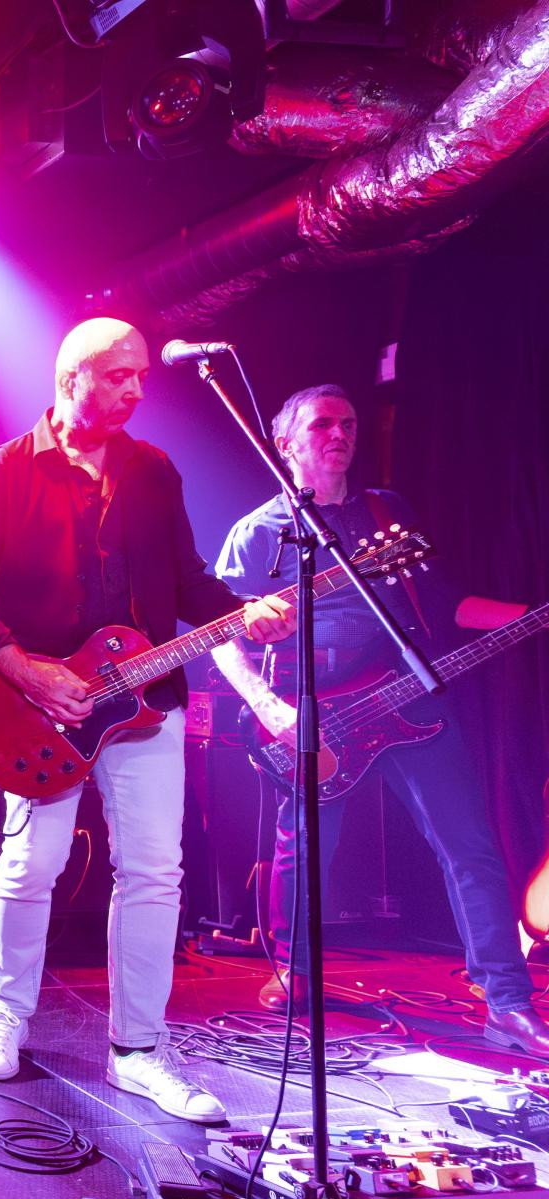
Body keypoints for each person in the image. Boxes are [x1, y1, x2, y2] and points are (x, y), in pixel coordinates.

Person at [0, 317, 296, 1121]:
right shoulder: (6, 470)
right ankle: (5, 1016)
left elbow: (189, 580)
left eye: (140, 377)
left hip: (147, 698)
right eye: (118, 376)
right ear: (73, 380)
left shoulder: (152, 470)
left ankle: (139, 1050)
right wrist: (25, 671)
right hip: (41, 706)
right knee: (33, 866)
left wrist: (246, 612)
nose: (136, 389)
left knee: (155, 872)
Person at [211, 384, 546, 1055]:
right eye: (323, 425)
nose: (340, 434)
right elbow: (221, 636)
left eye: (349, 424)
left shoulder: (385, 512)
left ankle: (508, 1003)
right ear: (286, 443)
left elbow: (444, 601)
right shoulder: (257, 533)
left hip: (408, 698)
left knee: (470, 845)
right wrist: (269, 705)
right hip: (316, 708)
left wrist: (530, 616)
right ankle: (295, 973)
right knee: (305, 848)